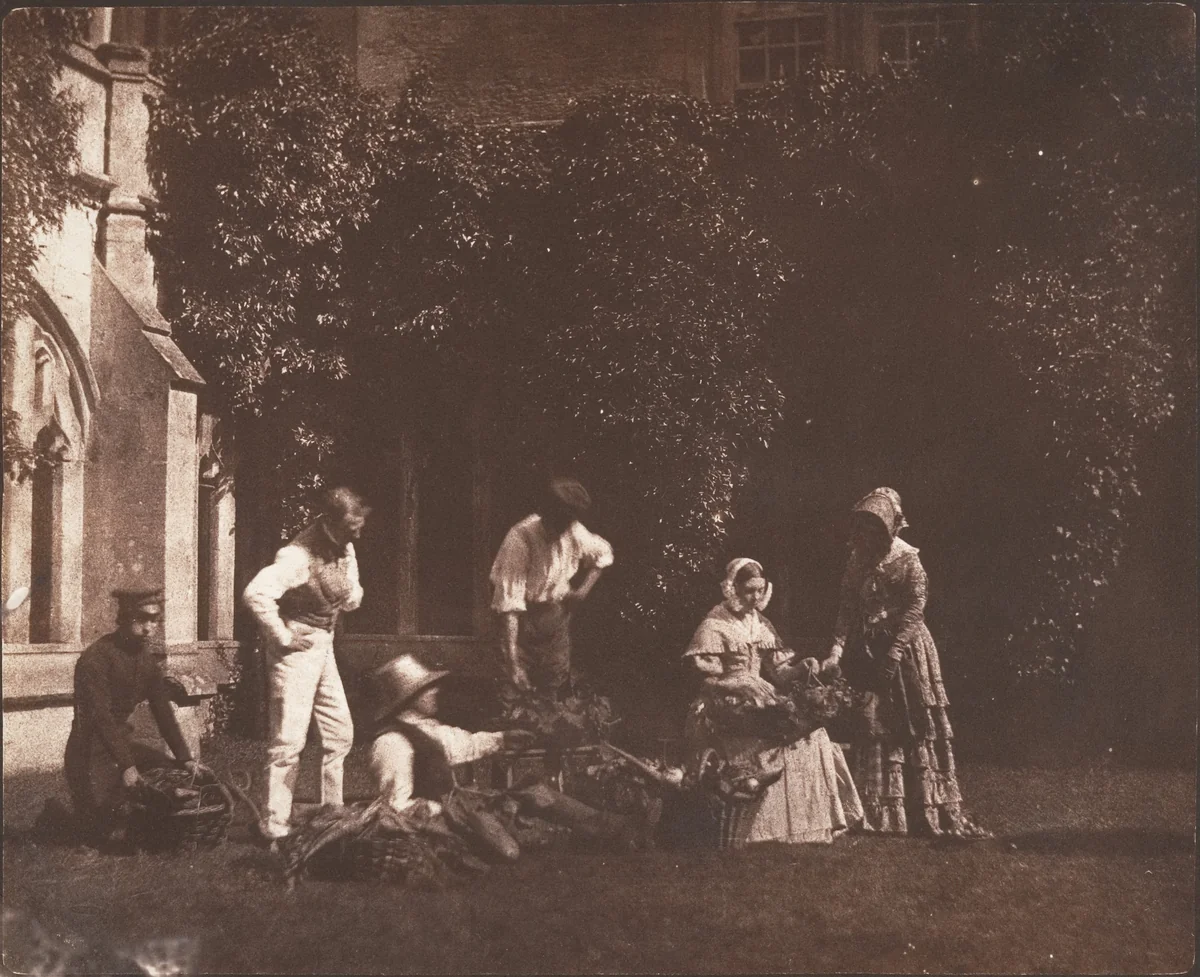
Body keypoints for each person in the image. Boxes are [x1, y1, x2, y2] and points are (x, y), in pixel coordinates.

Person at [822, 487, 989, 838]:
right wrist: (836, 650)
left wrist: (895, 650)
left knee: (912, 716)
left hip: (906, 647)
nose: (868, 534)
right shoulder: (856, 560)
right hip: (868, 648)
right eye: (863, 526)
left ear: (891, 528)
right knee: (874, 722)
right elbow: (847, 608)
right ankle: (880, 812)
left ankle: (921, 806)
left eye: (876, 527)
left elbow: (915, 609)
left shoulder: (908, 559)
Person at [683, 558, 863, 844]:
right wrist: (738, 684)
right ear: (732, 588)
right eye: (748, 591)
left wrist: (801, 669)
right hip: (726, 700)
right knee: (770, 731)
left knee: (810, 734)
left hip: (761, 693)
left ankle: (809, 824)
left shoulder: (761, 624)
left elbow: (779, 674)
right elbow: (707, 679)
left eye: (759, 591)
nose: (755, 598)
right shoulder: (714, 624)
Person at [243, 486, 368, 846]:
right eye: (351, 526)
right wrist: (282, 637)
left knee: (340, 732)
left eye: (360, 525)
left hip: (323, 643)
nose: (357, 533)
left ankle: (332, 814)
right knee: (288, 740)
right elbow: (256, 594)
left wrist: (349, 594)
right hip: (297, 645)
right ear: (328, 521)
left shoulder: (345, 546)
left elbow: (353, 597)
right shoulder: (297, 555)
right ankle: (275, 826)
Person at [63, 587, 199, 846]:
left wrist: (185, 758)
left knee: (173, 776)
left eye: (155, 620)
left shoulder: (146, 660)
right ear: (125, 618)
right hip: (89, 753)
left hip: (121, 746)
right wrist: (127, 766)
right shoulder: (95, 659)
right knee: (101, 833)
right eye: (143, 619)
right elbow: (99, 717)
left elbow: (163, 712)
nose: (149, 628)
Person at [489, 476, 613, 701]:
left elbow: (603, 554)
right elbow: (510, 608)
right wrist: (513, 662)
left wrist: (583, 590)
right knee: (513, 692)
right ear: (545, 515)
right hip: (521, 623)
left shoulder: (574, 531)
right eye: (556, 523)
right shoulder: (520, 539)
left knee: (554, 689)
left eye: (566, 524)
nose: (561, 530)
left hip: (555, 618)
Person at [367, 654, 536, 814]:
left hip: (444, 817)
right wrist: (446, 809)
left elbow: (466, 744)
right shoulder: (392, 742)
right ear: (409, 698)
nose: (435, 691)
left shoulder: (425, 729)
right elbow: (396, 806)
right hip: (419, 832)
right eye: (425, 688)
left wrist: (503, 739)